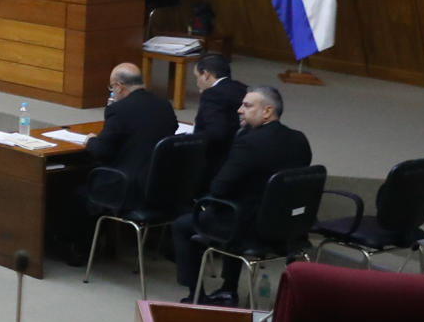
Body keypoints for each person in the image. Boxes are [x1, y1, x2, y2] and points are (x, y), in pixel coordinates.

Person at [171, 85, 312, 302]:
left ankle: (196, 295)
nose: (239, 110)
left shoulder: (248, 143)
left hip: (249, 228)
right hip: (287, 226)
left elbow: (219, 187)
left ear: (267, 111)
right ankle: (227, 287)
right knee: (235, 207)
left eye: (247, 105)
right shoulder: (299, 140)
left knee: (184, 225)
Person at [61, 64, 178, 263]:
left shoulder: (119, 110)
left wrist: (91, 141)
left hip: (128, 188)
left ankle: (80, 250)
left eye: (111, 88)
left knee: (73, 190)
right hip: (160, 186)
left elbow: (102, 151)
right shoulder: (163, 105)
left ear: (119, 86)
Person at [190, 53, 246, 187]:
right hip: (238, 154)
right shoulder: (241, 88)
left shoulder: (211, 95)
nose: (197, 82)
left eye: (197, 77)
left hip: (214, 162)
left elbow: (215, 133)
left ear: (206, 74)